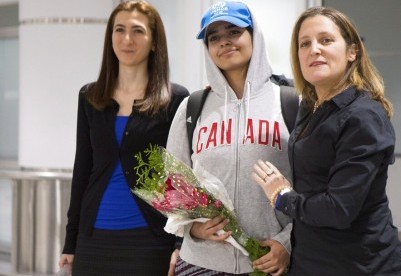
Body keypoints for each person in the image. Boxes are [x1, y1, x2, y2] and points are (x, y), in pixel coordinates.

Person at [252, 6, 401, 276]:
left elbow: (338, 209)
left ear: (352, 52)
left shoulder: (362, 117)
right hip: (312, 262)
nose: (314, 49)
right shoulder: (313, 104)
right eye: (305, 44)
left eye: (326, 40)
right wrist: (231, 84)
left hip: (361, 266)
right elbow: (281, 80)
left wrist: (282, 197)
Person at [58, 1, 189, 275]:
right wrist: (70, 243)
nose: (127, 39)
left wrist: (180, 242)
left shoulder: (175, 100)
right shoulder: (90, 98)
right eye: (119, 30)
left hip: (150, 239)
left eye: (138, 31)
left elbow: (180, 175)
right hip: (93, 239)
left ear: (154, 42)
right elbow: (82, 170)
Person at [166, 1, 293, 275]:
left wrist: (287, 243)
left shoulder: (290, 102)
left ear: (253, 35)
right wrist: (193, 228)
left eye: (234, 31)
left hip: (267, 263)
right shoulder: (192, 108)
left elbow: (313, 185)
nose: (225, 42)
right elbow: (172, 185)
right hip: (200, 263)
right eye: (214, 38)